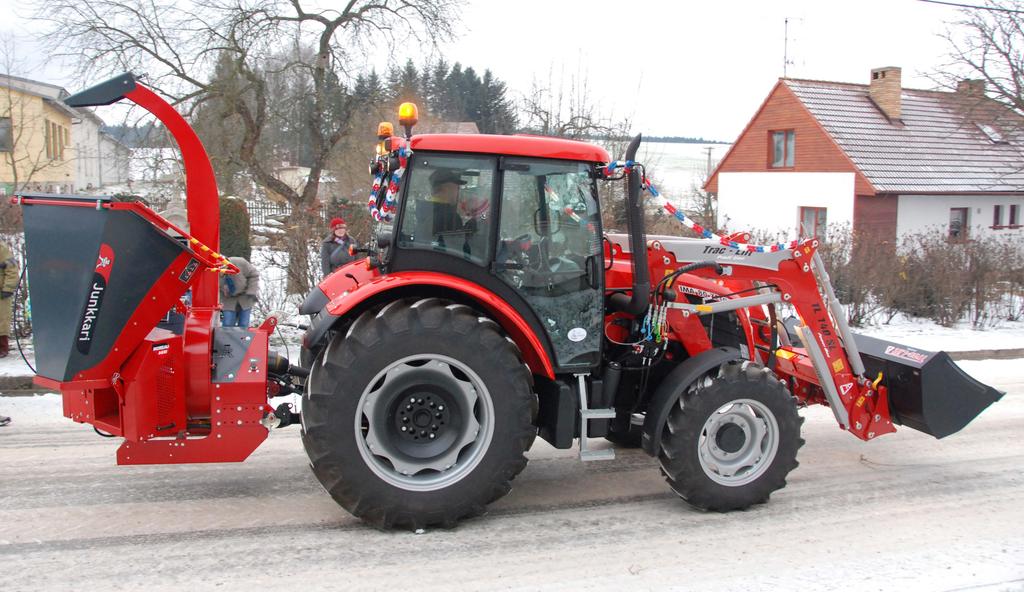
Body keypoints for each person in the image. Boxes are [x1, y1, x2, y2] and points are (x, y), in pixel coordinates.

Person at [220, 256, 260, 328]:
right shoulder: (212, 270)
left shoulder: (240, 262)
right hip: (228, 300)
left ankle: (241, 339)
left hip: (245, 297)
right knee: (227, 324)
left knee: (243, 324)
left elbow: (254, 275)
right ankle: (227, 339)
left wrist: (251, 290)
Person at [0, 241, 19, 359]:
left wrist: (8, 288)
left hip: (1, 292)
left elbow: (12, 268)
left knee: (2, 321)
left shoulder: (2, 249)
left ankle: (2, 348)